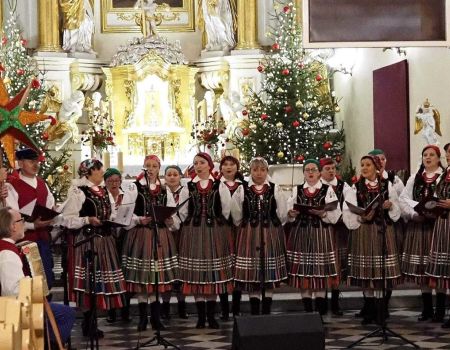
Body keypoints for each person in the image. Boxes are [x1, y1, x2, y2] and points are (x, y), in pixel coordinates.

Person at [61, 159, 127, 337]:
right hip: (87, 241)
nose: (102, 173)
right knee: (89, 282)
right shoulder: (79, 192)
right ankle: (88, 323)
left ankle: (93, 321)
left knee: (100, 282)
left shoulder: (104, 190)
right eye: (99, 170)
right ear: (89, 172)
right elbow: (67, 219)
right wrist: (87, 220)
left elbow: (111, 213)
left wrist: (115, 219)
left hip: (104, 241)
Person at [0, 207, 75, 348]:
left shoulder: (7, 247)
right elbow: (11, 293)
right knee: (66, 314)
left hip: (18, 306)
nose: (24, 223)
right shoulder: (7, 254)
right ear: (12, 226)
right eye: (21, 220)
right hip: (13, 310)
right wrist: (34, 284)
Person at [121, 155, 178, 331]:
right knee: (143, 277)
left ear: (159, 168)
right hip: (141, 235)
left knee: (155, 277)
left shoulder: (164, 190)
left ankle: (155, 317)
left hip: (159, 235)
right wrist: (139, 220)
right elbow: (125, 212)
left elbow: (172, 213)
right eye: (148, 166)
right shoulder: (134, 187)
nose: (151, 169)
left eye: (154, 166)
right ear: (143, 168)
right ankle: (142, 317)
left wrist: (170, 221)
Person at [343, 155, 402, 325]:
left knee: (380, 273)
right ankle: (369, 309)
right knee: (367, 272)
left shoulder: (386, 185)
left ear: (376, 167)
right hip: (364, 232)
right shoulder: (355, 188)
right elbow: (347, 210)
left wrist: (390, 206)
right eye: (362, 165)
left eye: (368, 165)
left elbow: (396, 207)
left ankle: (381, 310)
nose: (364, 168)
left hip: (383, 231)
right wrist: (361, 217)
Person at [177, 152, 234, 329]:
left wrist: (217, 224)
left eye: (202, 162)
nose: (198, 166)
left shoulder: (220, 185)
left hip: (214, 231)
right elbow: (183, 211)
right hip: (193, 232)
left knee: (212, 273)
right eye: (195, 163)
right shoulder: (188, 187)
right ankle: (201, 316)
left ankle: (211, 315)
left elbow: (226, 209)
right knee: (196, 273)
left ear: (209, 165)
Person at [231, 157, 288, 316]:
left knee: (268, 271)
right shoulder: (242, 189)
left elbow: (282, 213)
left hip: (269, 232)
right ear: (251, 171)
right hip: (250, 232)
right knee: (252, 273)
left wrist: (274, 224)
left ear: (267, 171)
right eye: (255, 170)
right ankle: (255, 310)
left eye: (262, 170)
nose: (259, 173)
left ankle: (267, 309)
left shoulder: (275, 189)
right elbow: (236, 214)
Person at [286, 159, 341, 315]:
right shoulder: (298, 190)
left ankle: (320, 313)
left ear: (319, 173)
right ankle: (308, 312)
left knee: (319, 274)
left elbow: (335, 214)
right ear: (304, 173)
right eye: (307, 170)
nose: (310, 172)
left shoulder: (327, 190)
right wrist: (291, 213)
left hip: (320, 234)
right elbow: (289, 209)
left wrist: (323, 213)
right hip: (301, 234)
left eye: (313, 169)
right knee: (304, 274)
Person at [399, 145, 445, 322]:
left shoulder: (443, 177)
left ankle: (440, 310)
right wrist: (413, 214)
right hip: (419, 227)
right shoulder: (415, 178)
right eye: (425, 155)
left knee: (438, 268)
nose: (428, 157)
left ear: (438, 158)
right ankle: (427, 309)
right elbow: (403, 199)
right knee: (423, 268)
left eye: (432, 155)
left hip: (437, 228)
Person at [6, 148, 58, 290]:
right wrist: (32, 226)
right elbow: (11, 216)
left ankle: (47, 311)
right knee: (28, 281)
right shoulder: (11, 185)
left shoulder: (42, 184)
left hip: (43, 240)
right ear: (21, 163)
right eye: (31, 161)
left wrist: (53, 213)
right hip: (24, 242)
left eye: (37, 162)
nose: (36, 165)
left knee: (46, 278)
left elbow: (50, 205)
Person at [320, 157, 351, 316]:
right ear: (321, 171)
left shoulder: (343, 185)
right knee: (325, 264)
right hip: (323, 229)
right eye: (327, 168)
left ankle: (335, 301)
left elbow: (349, 203)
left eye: (333, 168)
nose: (331, 171)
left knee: (338, 264)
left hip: (339, 230)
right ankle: (322, 301)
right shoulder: (317, 187)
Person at [103, 168, 134, 324]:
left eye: (117, 181)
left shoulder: (126, 195)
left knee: (124, 274)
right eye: (110, 181)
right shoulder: (102, 196)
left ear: (121, 181)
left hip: (124, 236)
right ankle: (111, 311)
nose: (114, 184)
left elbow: (131, 213)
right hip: (108, 238)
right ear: (105, 182)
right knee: (110, 274)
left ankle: (125, 310)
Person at [426, 143, 450, 328]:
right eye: (448, 154)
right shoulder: (444, 175)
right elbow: (436, 195)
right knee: (442, 269)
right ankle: (440, 310)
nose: (448, 156)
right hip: (442, 224)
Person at [218, 156, 244, 320]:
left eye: (232, 164)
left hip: (240, 230)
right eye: (225, 165)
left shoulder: (244, 186)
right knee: (223, 266)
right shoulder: (216, 185)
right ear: (220, 168)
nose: (228, 167)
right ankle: (224, 308)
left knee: (237, 266)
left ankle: (236, 307)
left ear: (237, 167)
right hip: (222, 229)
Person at [161, 165, 189, 320]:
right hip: (165, 233)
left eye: (175, 174)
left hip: (183, 233)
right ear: (164, 177)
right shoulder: (160, 192)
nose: (172, 177)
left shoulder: (186, 191)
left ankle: (182, 305)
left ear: (180, 177)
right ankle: (164, 305)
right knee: (167, 269)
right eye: (169, 174)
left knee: (181, 270)